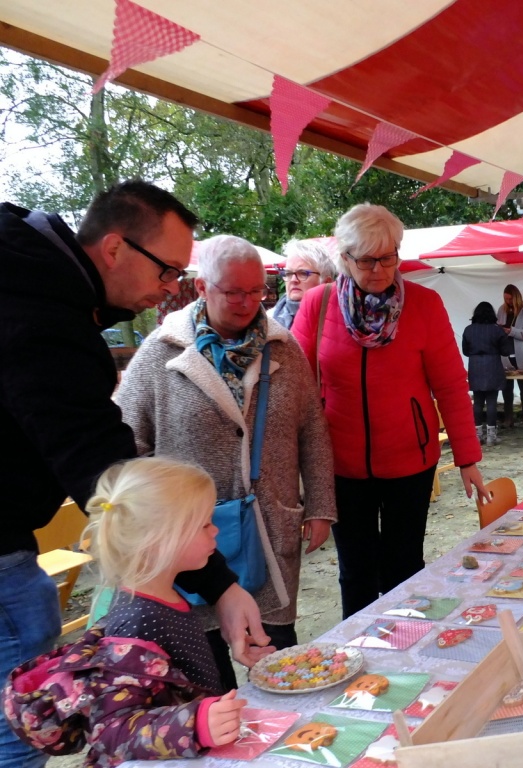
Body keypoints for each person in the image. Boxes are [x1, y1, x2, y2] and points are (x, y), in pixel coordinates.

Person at [0, 181, 267, 768]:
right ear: (115, 247)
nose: (171, 287)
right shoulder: (39, 314)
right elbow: (102, 461)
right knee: (13, 744)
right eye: (167, 269)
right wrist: (220, 583)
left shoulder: (39, 289)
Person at [115, 234, 336, 687]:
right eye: (234, 292)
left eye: (257, 290)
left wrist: (320, 506)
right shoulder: (160, 353)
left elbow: (312, 431)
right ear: (201, 287)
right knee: (208, 668)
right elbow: (124, 448)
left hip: (270, 525)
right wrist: (156, 521)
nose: (247, 303)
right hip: (188, 541)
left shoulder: (285, 349)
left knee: (279, 656)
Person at [291, 203, 487, 618]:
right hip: (341, 465)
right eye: (366, 260)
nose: (379, 270)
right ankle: (357, 647)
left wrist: (467, 457)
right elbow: (296, 392)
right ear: (345, 258)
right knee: (355, 572)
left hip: (410, 462)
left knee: (404, 567)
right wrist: (298, 467)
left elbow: (451, 385)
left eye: (388, 257)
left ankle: (406, 640)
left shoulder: (424, 304)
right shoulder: (317, 305)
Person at [3, 457, 246, 766]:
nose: (216, 530)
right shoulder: (138, 621)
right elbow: (110, 731)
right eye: (204, 524)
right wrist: (194, 724)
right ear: (160, 540)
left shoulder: (161, 596)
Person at [462, 301, 513, 446]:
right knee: (491, 402)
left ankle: (478, 435)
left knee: (477, 402)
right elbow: (506, 351)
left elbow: (465, 351)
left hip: (475, 367)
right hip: (493, 366)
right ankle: (491, 436)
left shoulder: (468, 330)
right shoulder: (497, 330)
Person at [270, 238, 338, 329]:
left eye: (303, 273)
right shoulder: (268, 320)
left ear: (326, 282)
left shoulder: (341, 322)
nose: (293, 280)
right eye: (288, 273)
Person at [497, 284, 523, 429]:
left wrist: (512, 332)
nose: (507, 302)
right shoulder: (502, 310)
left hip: (522, 355)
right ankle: (508, 419)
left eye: (510, 299)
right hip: (505, 355)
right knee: (506, 389)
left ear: (516, 297)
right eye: (505, 299)